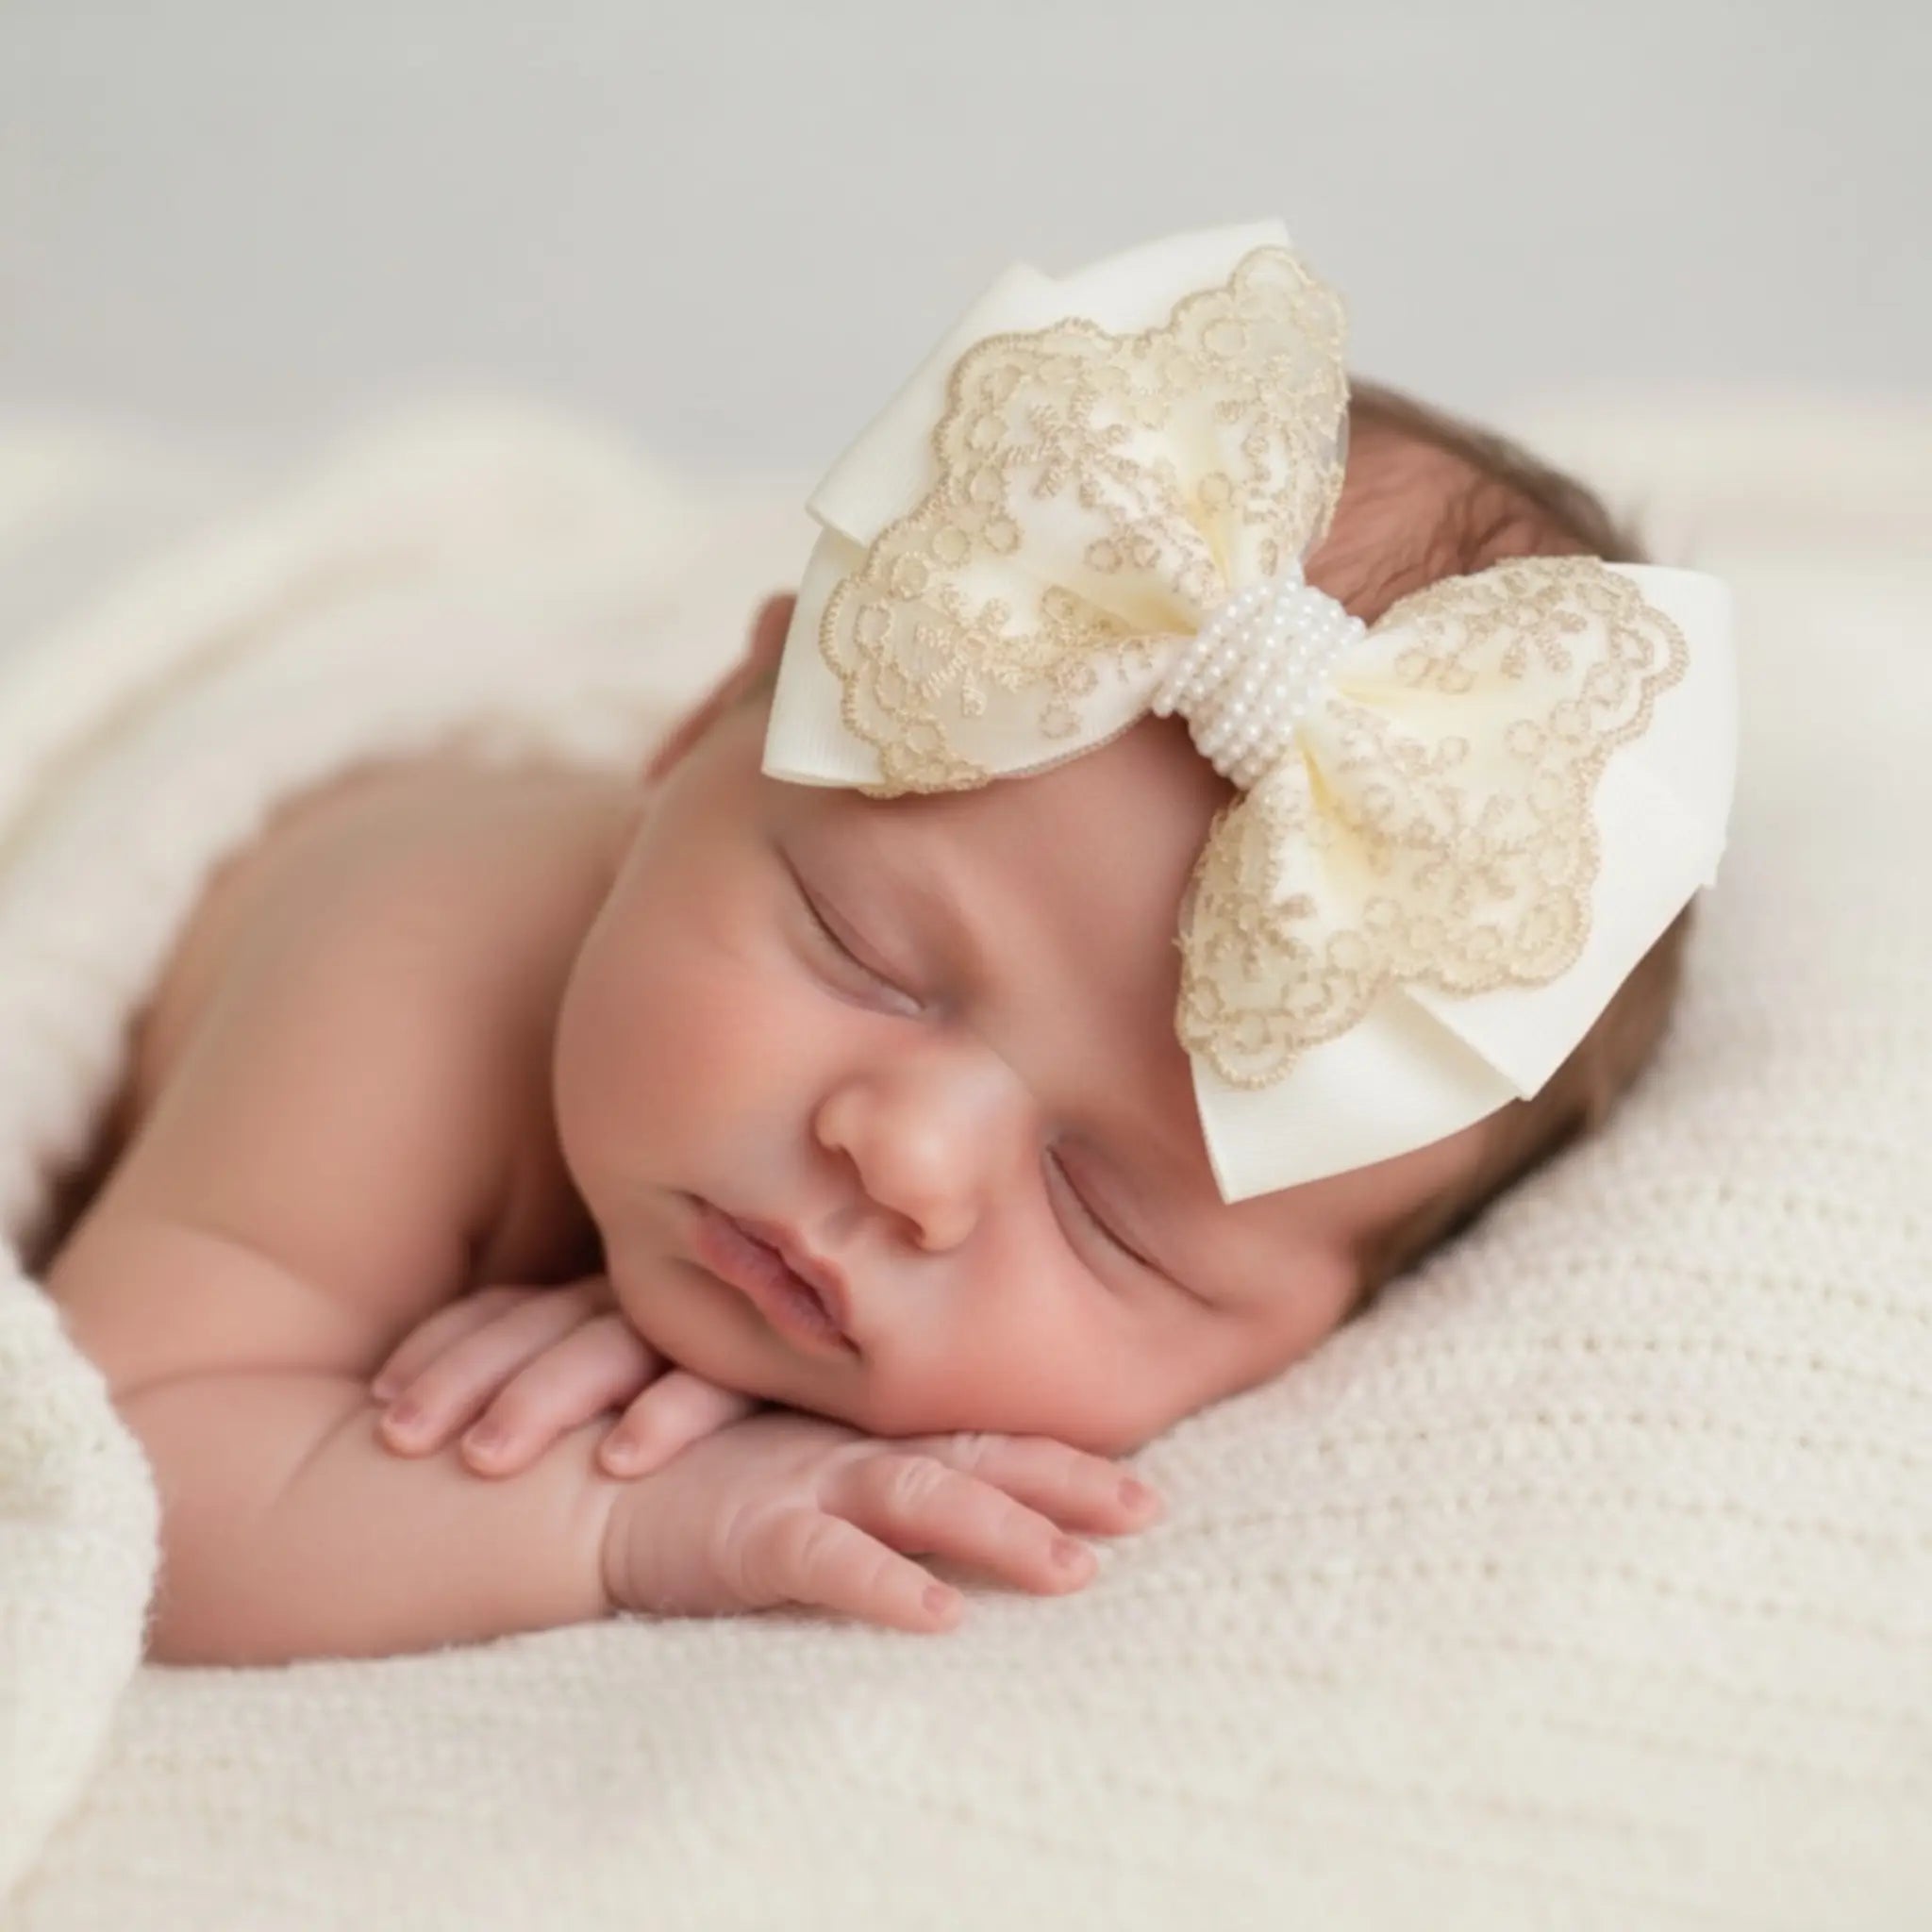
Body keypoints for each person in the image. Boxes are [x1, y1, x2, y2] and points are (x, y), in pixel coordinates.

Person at [40, 224, 1735, 1665]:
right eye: (863, 950)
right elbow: (127, 1456)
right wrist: (633, 1516)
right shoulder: (413, 970)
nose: (908, 1157)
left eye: (1109, 1219)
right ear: (708, 723)